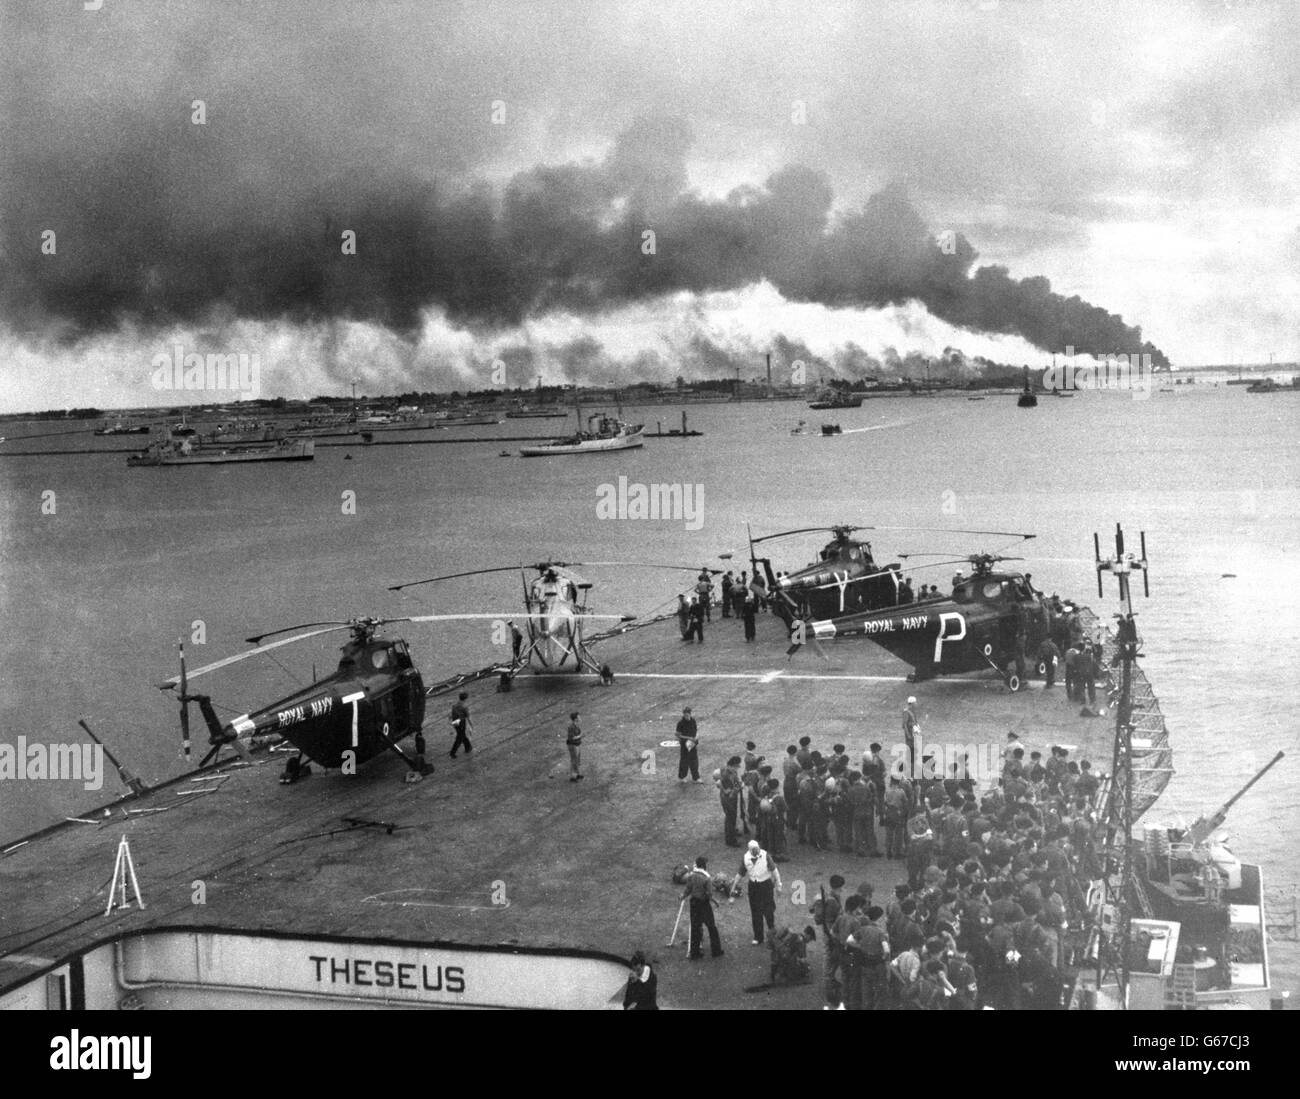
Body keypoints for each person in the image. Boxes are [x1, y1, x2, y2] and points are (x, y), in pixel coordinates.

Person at [736, 840, 782, 945]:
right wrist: (734, 885)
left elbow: (774, 870)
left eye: (757, 848)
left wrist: (779, 885)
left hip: (766, 885)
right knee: (756, 912)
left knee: (769, 910)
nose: (757, 851)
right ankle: (758, 936)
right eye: (754, 849)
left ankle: (772, 933)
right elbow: (740, 873)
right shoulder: (746, 858)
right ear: (750, 850)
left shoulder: (765, 855)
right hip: (754, 886)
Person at [682, 856, 724, 959]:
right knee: (711, 927)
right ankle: (716, 950)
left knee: (695, 927)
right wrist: (715, 901)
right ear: (704, 865)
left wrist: (683, 896)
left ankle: (695, 952)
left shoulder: (691, 875)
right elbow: (709, 894)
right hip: (703, 904)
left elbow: (688, 889)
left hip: (694, 903)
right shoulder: (706, 878)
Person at [719, 756, 743, 845]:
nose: (737, 768)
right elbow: (730, 791)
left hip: (731, 798)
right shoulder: (726, 774)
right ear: (732, 765)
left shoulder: (730, 771)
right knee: (730, 817)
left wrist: (738, 783)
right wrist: (739, 787)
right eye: (736, 766)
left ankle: (732, 831)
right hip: (728, 799)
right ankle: (730, 839)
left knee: (732, 816)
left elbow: (735, 779)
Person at [676, 706, 701, 782]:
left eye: (687, 715)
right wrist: (688, 738)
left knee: (694, 761)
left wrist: (696, 737)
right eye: (685, 715)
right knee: (684, 761)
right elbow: (678, 735)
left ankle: (696, 778)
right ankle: (682, 777)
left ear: (690, 714)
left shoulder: (693, 721)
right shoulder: (680, 723)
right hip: (684, 745)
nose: (686, 716)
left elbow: (696, 730)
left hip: (692, 743)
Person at [449, 692, 473, 758]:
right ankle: (452, 753)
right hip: (461, 723)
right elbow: (468, 717)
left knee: (462, 735)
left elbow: (451, 715)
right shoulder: (464, 707)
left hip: (455, 722)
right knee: (459, 738)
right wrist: (471, 725)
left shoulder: (454, 705)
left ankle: (468, 747)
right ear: (465, 699)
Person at [902, 697, 920, 777]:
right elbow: (904, 725)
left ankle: (913, 770)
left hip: (914, 735)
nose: (916, 704)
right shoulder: (906, 712)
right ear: (912, 704)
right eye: (915, 703)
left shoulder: (912, 711)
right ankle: (910, 771)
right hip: (910, 737)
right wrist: (908, 735)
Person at [565, 711, 583, 782]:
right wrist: (580, 736)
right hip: (573, 745)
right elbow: (571, 738)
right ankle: (572, 777)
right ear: (575, 719)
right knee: (573, 761)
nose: (580, 718)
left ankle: (577, 774)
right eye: (579, 717)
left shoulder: (576, 725)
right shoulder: (571, 727)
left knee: (577, 760)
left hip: (577, 744)